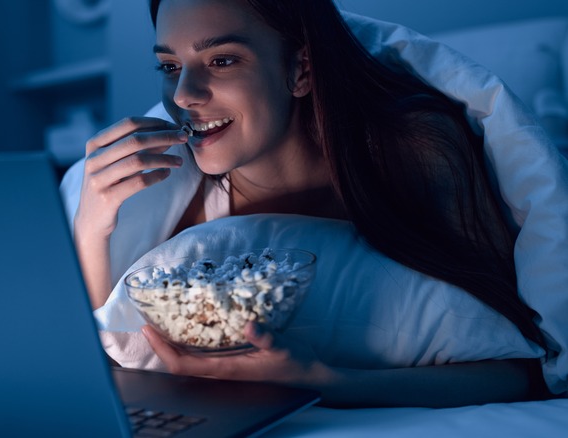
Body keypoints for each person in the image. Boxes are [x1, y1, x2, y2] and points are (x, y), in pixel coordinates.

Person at [70, 0, 551, 407]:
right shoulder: (170, 194)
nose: (184, 96)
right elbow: (94, 363)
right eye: (170, 67)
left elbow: (521, 372)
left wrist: (324, 383)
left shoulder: (414, 150)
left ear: (300, 69)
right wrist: (91, 230)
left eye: (222, 60)